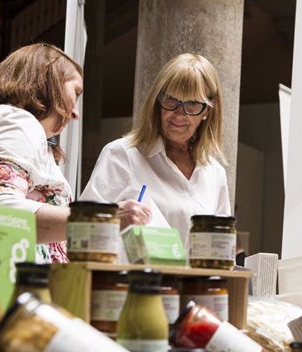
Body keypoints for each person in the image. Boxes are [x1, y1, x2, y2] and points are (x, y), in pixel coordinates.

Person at [0, 43, 83, 263]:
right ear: (50, 81)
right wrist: (97, 223)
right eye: (75, 92)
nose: (76, 113)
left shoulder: (6, 123)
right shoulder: (17, 121)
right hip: (3, 285)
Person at [80, 53, 230, 243]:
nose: (179, 114)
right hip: (135, 273)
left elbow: (221, 249)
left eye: (192, 105)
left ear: (207, 111)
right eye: (171, 100)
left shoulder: (214, 173)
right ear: (157, 102)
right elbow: (80, 234)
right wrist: (114, 218)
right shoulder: (122, 155)